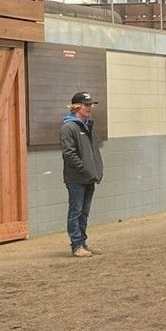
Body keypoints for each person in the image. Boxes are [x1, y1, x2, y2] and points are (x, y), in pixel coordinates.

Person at [60, 92, 104, 257]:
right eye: (86, 105)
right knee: (76, 211)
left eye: (90, 105)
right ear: (77, 107)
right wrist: (85, 169)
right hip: (76, 178)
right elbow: (69, 154)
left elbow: (93, 152)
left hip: (88, 177)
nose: (90, 108)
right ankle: (76, 244)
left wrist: (96, 169)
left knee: (84, 212)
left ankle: (82, 242)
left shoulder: (87, 126)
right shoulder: (68, 128)